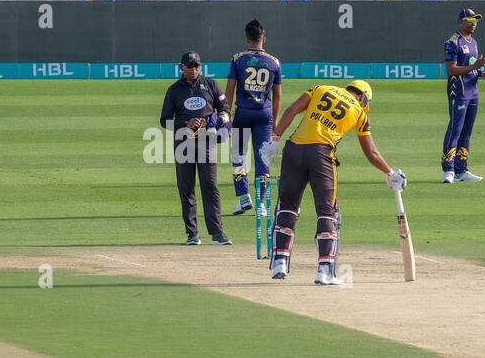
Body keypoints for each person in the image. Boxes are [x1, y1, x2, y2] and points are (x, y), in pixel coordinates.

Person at [258, 79, 404, 284]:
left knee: (288, 207)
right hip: (321, 155)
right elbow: (371, 152)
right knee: (328, 212)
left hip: (293, 150)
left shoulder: (321, 89)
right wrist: (390, 173)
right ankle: (325, 271)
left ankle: (280, 262)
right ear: (362, 97)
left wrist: (275, 139)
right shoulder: (360, 113)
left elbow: (291, 110)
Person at [160, 50, 231, 246]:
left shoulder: (210, 85)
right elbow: (164, 121)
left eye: (197, 65)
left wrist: (214, 122)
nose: (194, 69)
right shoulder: (174, 90)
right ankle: (192, 234)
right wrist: (185, 125)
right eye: (190, 66)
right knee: (186, 188)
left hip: (207, 141)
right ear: (182, 67)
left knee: (210, 186)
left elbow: (225, 110)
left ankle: (217, 233)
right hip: (184, 143)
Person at [225, 18, 283, 216]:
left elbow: (229, 90)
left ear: (247, 40)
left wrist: (226, 115)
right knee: (263, 158)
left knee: (238, 156)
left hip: (243, 112)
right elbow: (277, 96)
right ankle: (261, 204)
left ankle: (244, 197)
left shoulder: (238, 59)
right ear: (263, 40)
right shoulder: (274, 62)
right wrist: (274, 120)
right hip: (264, 114)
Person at [441, 7, 485, 183]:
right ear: (461, 22)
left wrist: (480, 73)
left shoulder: (473, 43)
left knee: (467, 132)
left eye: (475, 21)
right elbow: (451, 69)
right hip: (459, 93)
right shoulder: (453, 42)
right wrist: (474, 67)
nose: (473, 24)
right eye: (470, 21)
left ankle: (462, 169)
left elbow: (470, 67)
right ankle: (449, 169)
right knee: (455, 129)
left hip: (473, 92)